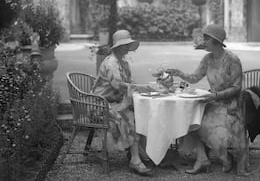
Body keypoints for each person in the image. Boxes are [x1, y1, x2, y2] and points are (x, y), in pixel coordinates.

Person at [167, 24, 248, 175]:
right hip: (212, 102)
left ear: (216, 41)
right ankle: (203, 158)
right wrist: (178, 73)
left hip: (230, 105)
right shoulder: (207, 58)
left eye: (206, 39)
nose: (203, 42)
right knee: (190, 118)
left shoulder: (232, 60)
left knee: (203, 125)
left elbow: (237, 88)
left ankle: (225, 158)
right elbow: (194, 78)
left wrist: (216, 95)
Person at [93, 29, 152, 176]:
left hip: (117, 102)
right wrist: (139, 87)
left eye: (128, 44)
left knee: (143, 112)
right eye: (125, 44)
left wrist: (145, 88)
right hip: (101, 105)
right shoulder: (111, 63)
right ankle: (135, 159)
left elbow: (130, 83)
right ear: (117, 46)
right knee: (129, 116)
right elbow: (117, 85)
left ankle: (139, 151)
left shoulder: (124, 62)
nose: (127, 47)